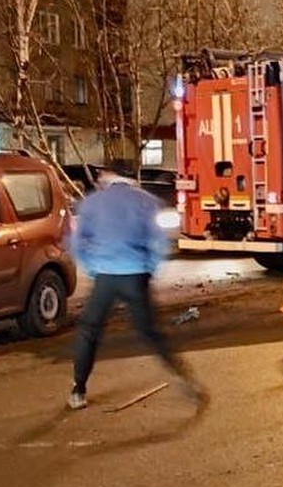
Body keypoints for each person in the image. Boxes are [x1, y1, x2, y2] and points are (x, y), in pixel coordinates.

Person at [67, 169, 206, 411]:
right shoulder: (147, 201)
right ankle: (183, 377)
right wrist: (148, 268)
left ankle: (79, 389)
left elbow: (75, 242)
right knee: (150, 332)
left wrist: (91, 268)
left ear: (106, 179)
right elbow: (159, 241)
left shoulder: (91, 202)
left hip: (106, 277)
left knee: (89, 330)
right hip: (135, 275)